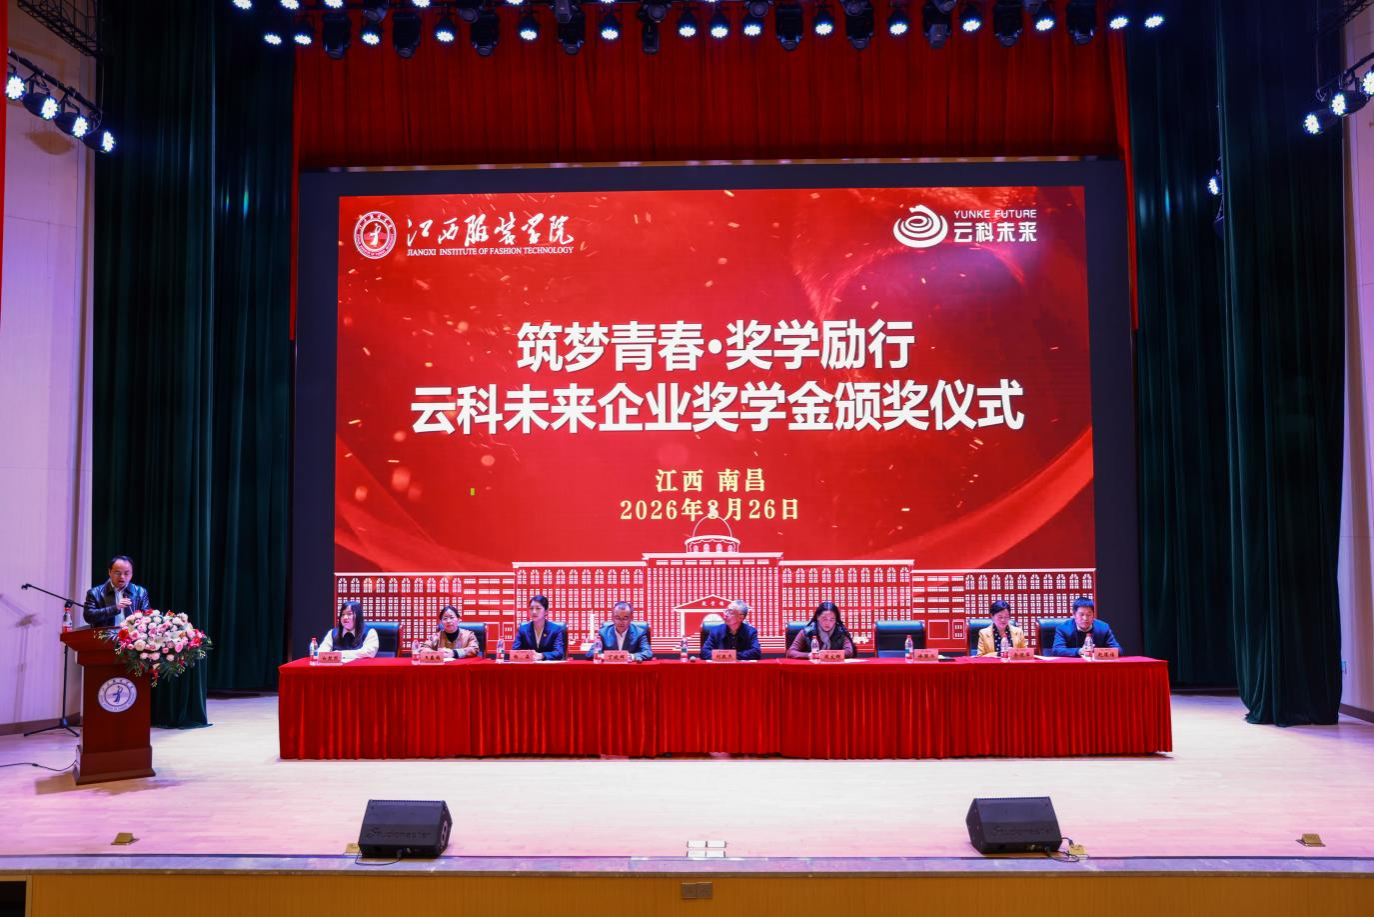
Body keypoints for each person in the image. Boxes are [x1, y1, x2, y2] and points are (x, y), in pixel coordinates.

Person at [84, 555, 150, 628]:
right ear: (109, 572)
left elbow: (147, 617)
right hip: (105, 634)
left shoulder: (140, 592)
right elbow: (88, 617)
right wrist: (115, 608)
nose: (122, 577)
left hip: (131, 634)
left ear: (132, 574)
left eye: (126, 573)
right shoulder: (95, 593)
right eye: (118, 573)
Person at [1048, 597, 1122, 657]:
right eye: (1081, 614)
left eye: (1089, 615)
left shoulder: (1103, 628)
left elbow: (1118, 650)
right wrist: (1080, 651)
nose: (1085, 618)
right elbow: (1056, 650)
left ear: (1093, 614)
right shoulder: (1063, 629)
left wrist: (1096, 651)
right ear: (1074, 614)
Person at [587, 601, 653, 662]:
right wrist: (606, 656)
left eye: (625, 618)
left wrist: (631, 657)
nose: (621, 621)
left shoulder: (639, 633)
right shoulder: (603, 633)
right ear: (612, 618)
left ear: (631, 618)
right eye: (617, 618)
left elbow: (648, 652)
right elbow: (590, 653)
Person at [787, 601, 856, 658]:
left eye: (832, 619)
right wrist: (810, 655)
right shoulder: (807, 632)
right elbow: (791, 652)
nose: (828, 623)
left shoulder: (841, 633)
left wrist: (825, 654)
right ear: (818, 617)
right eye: (824, 619)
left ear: (836, 620)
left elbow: (849, 652)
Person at [513, 595, 566, 660]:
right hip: (529, 665)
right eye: (531, 608)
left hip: (548, 665)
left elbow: (559, 653)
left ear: (546, 611)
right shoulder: (523, 629)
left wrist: (542, 655)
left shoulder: (555, 629)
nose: (534, 612)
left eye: (538, 608)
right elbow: (514, 651)